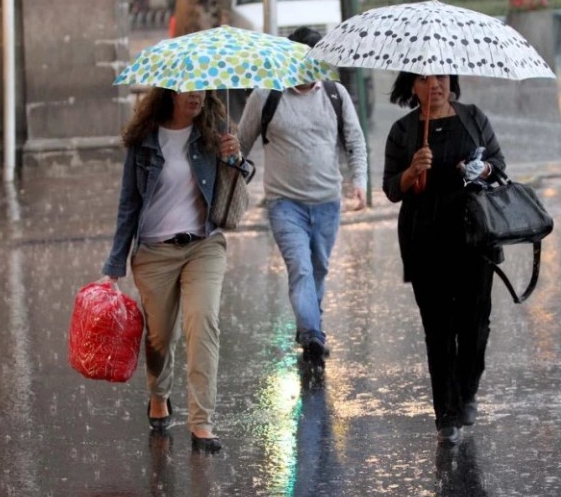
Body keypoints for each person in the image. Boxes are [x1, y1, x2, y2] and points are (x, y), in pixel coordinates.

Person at [101, 87, 252, 454]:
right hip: (155, 252)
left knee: (203, 324)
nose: (196, 96)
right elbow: (128, 204)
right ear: (170, 93)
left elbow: (239, 181)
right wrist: (114, 266)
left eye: (202, 88)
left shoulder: (214, 129)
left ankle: (202, 423)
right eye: (188, 90)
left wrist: (235, 158)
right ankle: (159, 395)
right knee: (159, 338)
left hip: (204, 245)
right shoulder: (145, 140)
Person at [382, 72, 505, 445]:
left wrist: (482, 169)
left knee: (475, 325)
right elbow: (390, 188)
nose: (435, 84)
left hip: (474, 236)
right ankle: (446, 416)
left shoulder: (473, 117)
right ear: (412, 87)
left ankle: (467, 391)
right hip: (425, 239)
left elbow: (498, 165)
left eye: (442, 76)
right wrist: (411, 172)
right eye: (424, 78)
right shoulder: (404, 131)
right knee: (438, 329)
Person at [236, 26, 368, 367]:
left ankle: (309, 324)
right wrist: (227, 164)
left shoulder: (335, 94)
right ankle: (312, 334)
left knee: (319, 269)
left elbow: (355, 140)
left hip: (327, 201)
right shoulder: (266, 95)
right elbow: (242, 143)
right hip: (284, 204)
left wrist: (360, 183)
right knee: (301, 270)